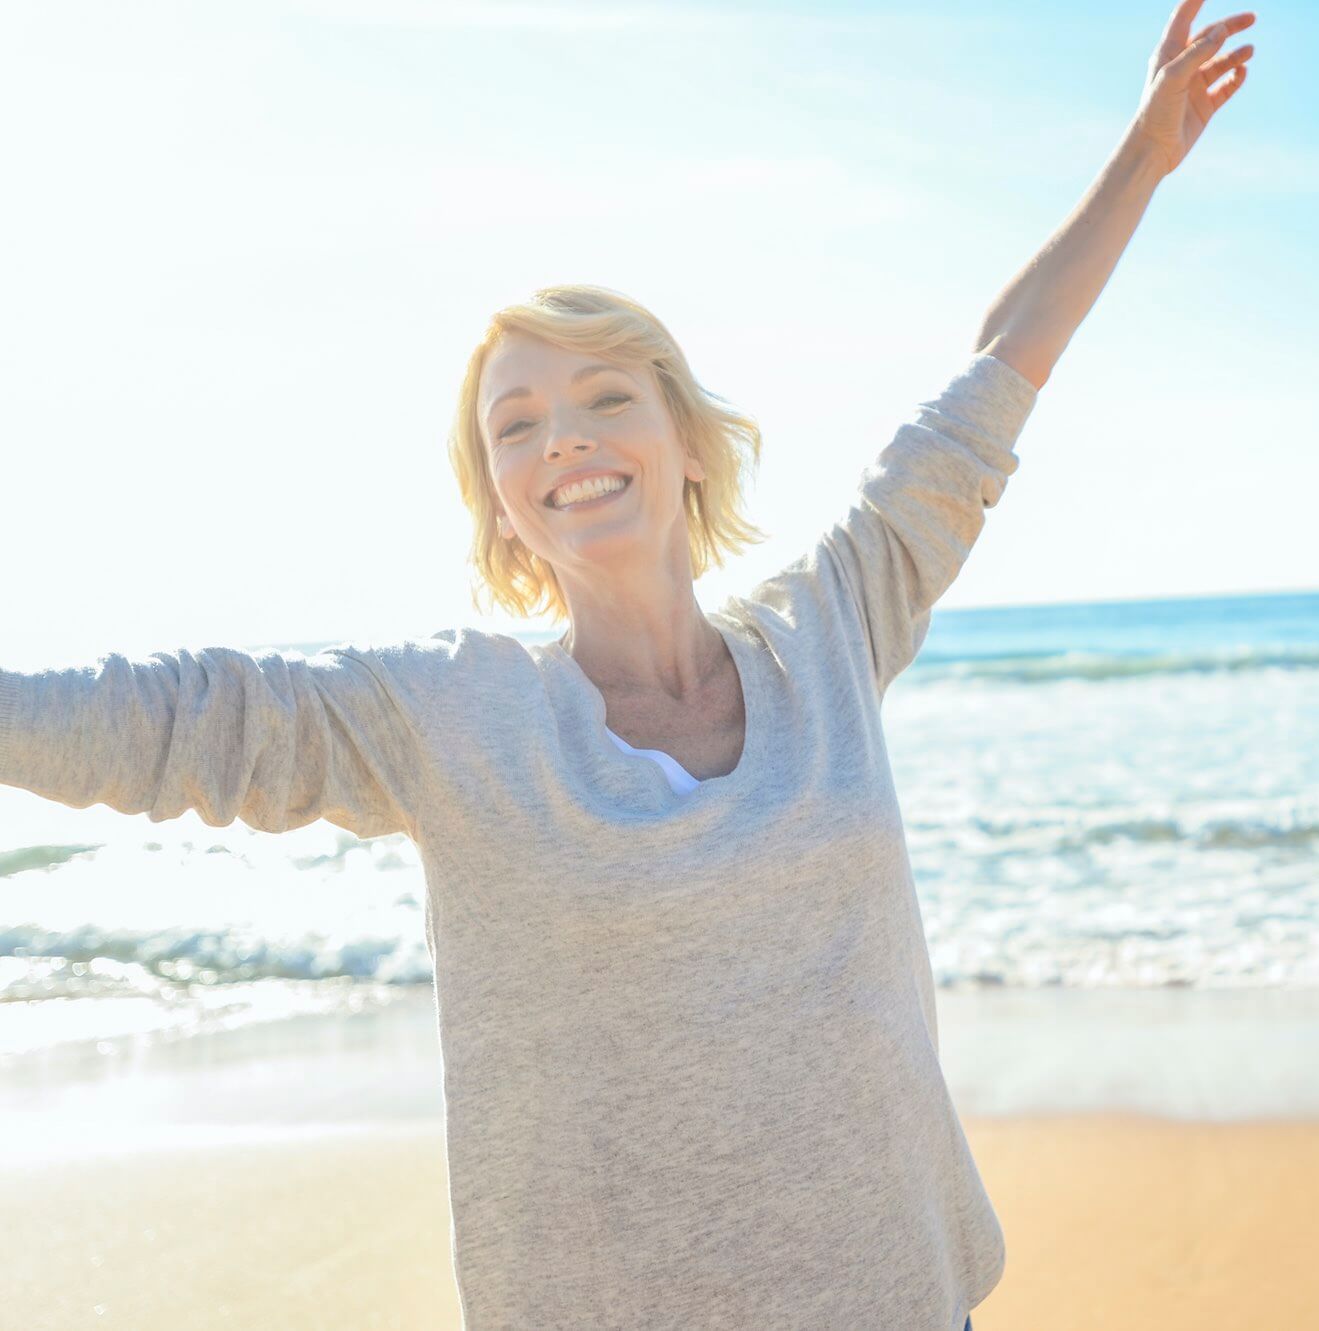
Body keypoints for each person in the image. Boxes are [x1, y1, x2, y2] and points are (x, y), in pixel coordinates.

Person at [0, 4, 1255, 1325]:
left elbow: (994, 379)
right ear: (497, 503)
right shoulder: (453, 715)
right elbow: (186, 724)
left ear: (690, 441)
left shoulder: (828, 631)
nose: (565, 438)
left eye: (607, 396)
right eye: (518, 423)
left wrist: (1144, 157)